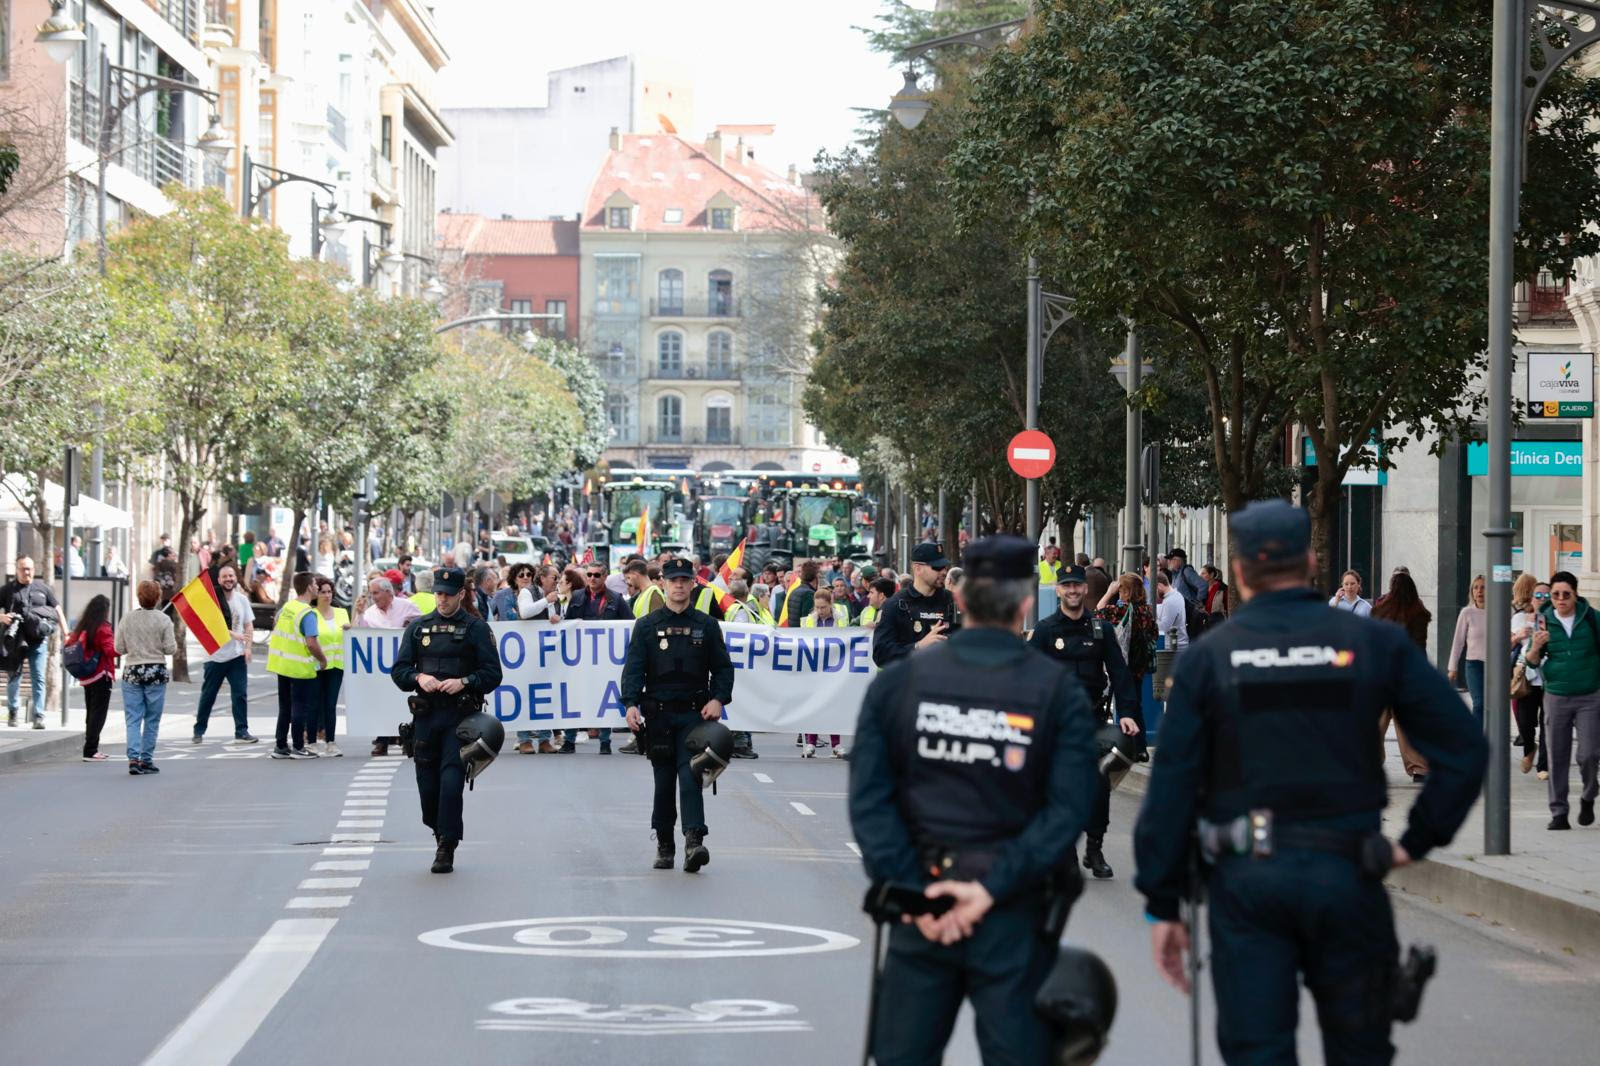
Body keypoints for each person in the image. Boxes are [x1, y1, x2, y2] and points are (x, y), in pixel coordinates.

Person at [1133, 500, 1488, 1066]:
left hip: (1247, 882)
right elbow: (1467, 750)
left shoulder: (1208, 659)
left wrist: (1163, 903)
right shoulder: (1375, 644)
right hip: (1347, 872)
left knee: (1258, 1052)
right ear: (1312, 561)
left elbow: (1170, 791)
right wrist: (1414, 842)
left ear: (1240, 569)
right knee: (1359, 1049)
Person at [849, 536, 1098, 1066]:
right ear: (1028, 601)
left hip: (922, 912)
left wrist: (917, 892)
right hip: (1011, 909)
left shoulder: (898, 687)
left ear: (959, 600)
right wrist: (989, 890)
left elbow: (870, 804)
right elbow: (1068, 810)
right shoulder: (1057, 692)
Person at [620, 556, 735, 873]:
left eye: (685, 580)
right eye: (674, 581)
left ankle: (694, 842)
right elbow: (633, 670)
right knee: (663, 781)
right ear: (663, 583)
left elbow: (723, 669)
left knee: (691, 777)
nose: (680, 585)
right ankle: (664, 844)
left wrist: (718, 699)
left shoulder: (707, 625)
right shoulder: (646, 626)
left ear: (692, 583)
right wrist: (630, 704)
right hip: (658, 716)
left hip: (695, 716)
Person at [390, 566, 504, 873]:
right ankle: (438, 829)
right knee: (428, 790)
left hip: (461, 719)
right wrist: (419, 676)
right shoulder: (418, 628)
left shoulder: (476, 628)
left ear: (461, 595)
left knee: (451, 784)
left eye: (448, 595)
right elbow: (399, 672)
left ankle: (446, 846)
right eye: (438, 593)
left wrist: (465, 681)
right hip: (426, 718)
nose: (442, 600)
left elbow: (493, 674)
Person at [1030, 565, 1141, 879]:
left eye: (1077, 585)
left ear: (1084, 590)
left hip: (1092, 719)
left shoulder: (1100, 629)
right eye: (1067, 586)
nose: (1073, 591)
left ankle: (1094, 848)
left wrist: (1129, 714)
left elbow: (1120, 674)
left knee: (1098, 785)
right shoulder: (1045, 630)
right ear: (1059, 591)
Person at [1524, 570, 1600, 830]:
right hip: (1556, 695)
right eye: (1555, 595)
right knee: (1557, 755)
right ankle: (1559, 812)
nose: (1560, 599)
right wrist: (1535, 646)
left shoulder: (1592, 618)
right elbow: (1531, 661)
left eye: (1566, 594)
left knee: (1589, 753)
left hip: (1590, 694)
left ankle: (1589, 794)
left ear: (1575, 595)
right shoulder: (1543, 622)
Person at [1371, 570, 1434, 782]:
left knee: (1377, 723)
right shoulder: (1419, 613)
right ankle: (1418, 768)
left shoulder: (1379, 610)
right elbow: (1419, 647)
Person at [115, 579, 178, 775]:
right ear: (158, 598)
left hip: (132, 671)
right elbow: (170, 648)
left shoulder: (127, 619)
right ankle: (146, 759)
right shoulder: (164, 620)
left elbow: (119, 648)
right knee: (152, 718)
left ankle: (133, 758)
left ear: (138, 597)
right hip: (156, 672)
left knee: (133, 718)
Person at [192, 562, 257, 745]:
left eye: (231, 576)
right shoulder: (212, 602)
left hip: (236, 656)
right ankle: (199, 730)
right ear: (219, 580)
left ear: (236, 578)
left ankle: (242, 731)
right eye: (225, 577)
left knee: (240, 694)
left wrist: (248, 647)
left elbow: (248, 625)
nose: (229, 579)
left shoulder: (242, 600)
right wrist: (233, 634)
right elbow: (211, 626)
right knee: (208, 695)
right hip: (215, 656)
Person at [1, 556, 67, 728]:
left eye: (29, 568)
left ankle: (39, 716)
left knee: (39, 678)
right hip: (15, 640)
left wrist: (66, 633)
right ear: (16, 570)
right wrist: (2, 617)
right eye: (23, 568)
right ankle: (13, 713)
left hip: (38, 641)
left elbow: (57, 609)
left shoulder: (42, 588)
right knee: (14, 676)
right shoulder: (8, 589)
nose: (27, 572)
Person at [267, 572, 327, 760]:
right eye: (316, 584)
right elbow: (311, 643)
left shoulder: (288, 607)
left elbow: (277, 624)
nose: (317, 587)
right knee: (300, 707)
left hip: (282, 664)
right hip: (299, 667)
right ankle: (299, 747)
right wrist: (323, 660)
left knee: (285, 707)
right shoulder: (307, 613)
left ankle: (281, 746)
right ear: (309, 587)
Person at [360, 575, 422, 757]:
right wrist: (357, 616)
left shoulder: (406, 606)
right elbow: (360, 635)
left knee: (402, 702)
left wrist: (409, 625)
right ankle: (382, 741)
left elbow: (421, 623)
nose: (373, 597)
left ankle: (406, 740)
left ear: (388, 592)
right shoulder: (370, 613)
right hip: (379, 669)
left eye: (376, 593)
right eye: (371, 594)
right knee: (382, 703)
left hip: (403, 665)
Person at [872, 543, 956, 666]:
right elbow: (881, 654)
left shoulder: (954, 601)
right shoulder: (895, 604)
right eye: (937, 567)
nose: (944, 572)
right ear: (917, 568)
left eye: (944, 567)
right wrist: (918, 647)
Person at [68, 594, 117, 761]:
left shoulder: (84, 626)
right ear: (105, 611)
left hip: (87, 676)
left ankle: (90, 748)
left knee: (91, 713)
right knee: (98, 714)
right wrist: (124, 646)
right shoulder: (103, 628)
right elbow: (111, 651)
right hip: (101, 675)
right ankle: (90, 750)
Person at [1511, 576, 1550, 778]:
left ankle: (1543, 766)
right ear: (1531, 598)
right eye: (1538, 595)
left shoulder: (1556, 620)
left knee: (1547, 723)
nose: (1542, 599)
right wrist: (1519, 636)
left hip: (1550, 679)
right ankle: (1529, 749)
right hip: (1527, 678)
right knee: (1525, 722)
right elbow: (1505, 645)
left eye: (1546, 595)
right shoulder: (1519, 619)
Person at [1096, 573, 1158, 698]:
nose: (1119, 594)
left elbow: (1099, 611)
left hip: (1126, 662)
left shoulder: (1123, 609)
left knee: (1127, 703)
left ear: (1127, 592)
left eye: (1120, 591)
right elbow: (1154, 633)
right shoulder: (1146, 609)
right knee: (1137, 701)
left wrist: (1109, 592)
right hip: (1140, 663)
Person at [310, 576, 349, 757]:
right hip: (316, 665)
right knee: (314, 702)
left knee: (330, 704)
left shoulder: (341, 613)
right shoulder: (311, 614)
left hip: (336, 665)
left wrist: (357, 616)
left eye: (329, 591)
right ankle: (311, 742)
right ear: (315, 594)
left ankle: (330, 742)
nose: (327, 595)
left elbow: (350, 634)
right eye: (322, 592)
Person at [1447, 574, 1488, 728]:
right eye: (1476, 587)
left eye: (1483, 587)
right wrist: (1453, 668)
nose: (1479, 591)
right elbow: (1458, 641)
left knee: (1493, 705)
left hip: (1494, 667)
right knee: (1479, 704)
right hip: (1474, 665)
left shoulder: (1498, 613)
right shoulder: (1467, 613)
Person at [1154, 570, 1189, 654]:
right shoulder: (1176, 595)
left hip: (1173, 649)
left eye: (1154, 590)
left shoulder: (1171, 601)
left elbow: (1163, 628)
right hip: (1175, 646)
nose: (1155, 594)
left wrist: (1152, 617)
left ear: (1159, 586)